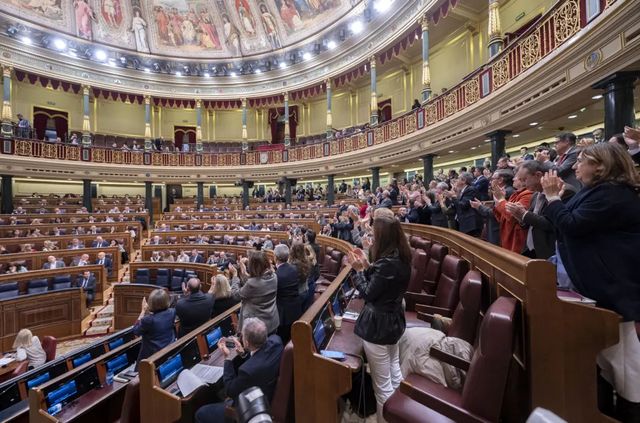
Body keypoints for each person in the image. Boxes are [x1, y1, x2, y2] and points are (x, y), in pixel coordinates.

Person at [541, 143, 640, 418]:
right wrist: (555, 202)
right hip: (597, 285)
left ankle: (630, 412)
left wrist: (552, 199)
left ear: (600, 166)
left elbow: (573, 224)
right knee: (609, 360)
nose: (574, 166)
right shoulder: (596, 192)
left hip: (613, 288)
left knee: (625, 365)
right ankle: (607, 410)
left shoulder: (613, 194)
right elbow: (563, 222)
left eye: (581, 161)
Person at [345, 208, 411, 422]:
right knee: (394, 372)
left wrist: (358, 270)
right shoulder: (401, 255)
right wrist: (366, 264)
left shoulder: (387, 264)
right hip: (393, 321)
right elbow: (383, 282)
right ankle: (401, 414)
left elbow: (368, 293)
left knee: (382, 387)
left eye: (374, 233)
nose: (372, 236)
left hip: (379, 326)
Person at [194, 318, 283, 423]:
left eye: (243, 335)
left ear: (246, 342)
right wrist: (243, 353)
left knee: (200, 413)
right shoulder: (276, 341)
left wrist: (227, 358)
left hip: (252, 406)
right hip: (268, 390)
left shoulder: (247, 371)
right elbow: (257, 359)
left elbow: (230, 391)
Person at [230, 250, 279, 334]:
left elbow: (235, 295)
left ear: (253, 266)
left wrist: (235, 276)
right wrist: (244, 272)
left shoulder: (252, 284)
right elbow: (258, 282)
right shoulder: (274, 276)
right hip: (272, 320)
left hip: (257, 328)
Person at [133, 289, 176, 366]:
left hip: (151, 357)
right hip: (169, 351)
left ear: (151, 303)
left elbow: (136, 331)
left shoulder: (148, 320)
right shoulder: (172, 312)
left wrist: (143, 311)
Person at [273, 244, 301, 344]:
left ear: (275, 257)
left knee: (283, 341)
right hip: (296, 309)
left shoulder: (276, 275)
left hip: (283, 314)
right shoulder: (294, 268)